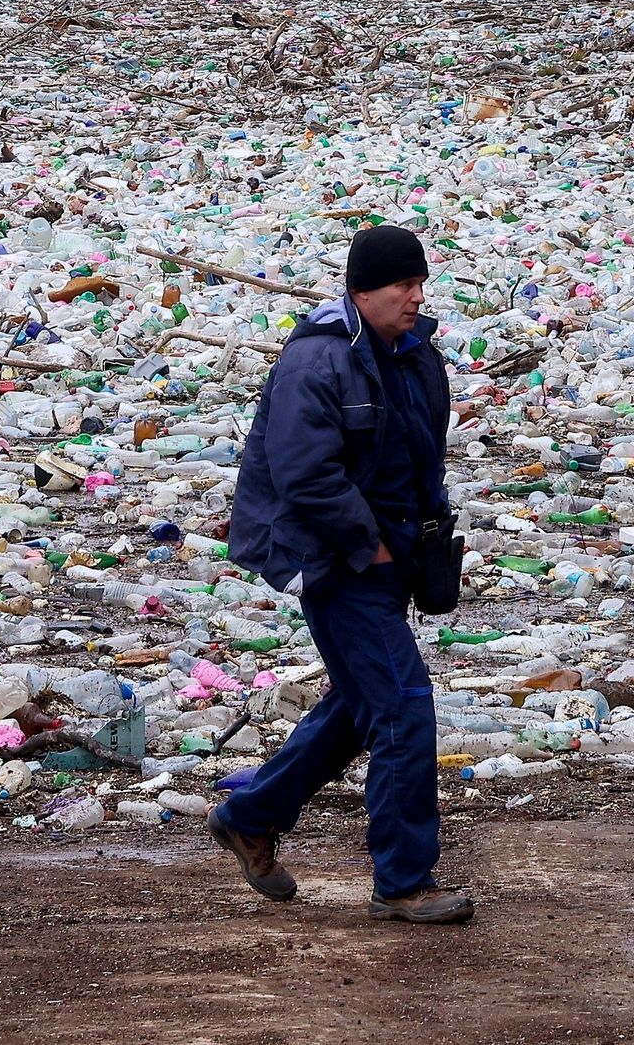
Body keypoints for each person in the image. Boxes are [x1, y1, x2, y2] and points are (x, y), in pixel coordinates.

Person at [208, 222, 471, 923]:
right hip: (333, 559)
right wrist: (370, 547)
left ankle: (251, 816)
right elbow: (304, 477)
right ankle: (404, 881)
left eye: (419, 282)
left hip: (385, 558)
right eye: (401, 284)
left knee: (360, 708)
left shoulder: (416, 358)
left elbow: (423, 465)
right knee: (402, 707)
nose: (415, 296)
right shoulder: (318, 361)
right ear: (362, 287)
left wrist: (428, 544)